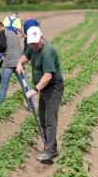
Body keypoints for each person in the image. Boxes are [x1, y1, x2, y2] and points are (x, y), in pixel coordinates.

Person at [16, 26, 64, 163]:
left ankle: (48, 151)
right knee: (42, 119)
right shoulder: (33, 46)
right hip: (44, 89)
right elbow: (26, 56)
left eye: (36, 42)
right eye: (32, 43)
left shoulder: (47, 51)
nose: (34, 45)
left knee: (50, 121)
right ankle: (52, 148)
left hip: (53, 88)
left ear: (42, 38)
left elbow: (48, 75)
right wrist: (20, 63)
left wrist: (35, 89)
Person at [0, 21, 34, 110]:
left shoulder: (1, 32)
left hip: (9, 63)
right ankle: (32, 106)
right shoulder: (12, 33)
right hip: (19, 62)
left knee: (3, 86)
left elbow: (3, 46)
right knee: (25, 85)